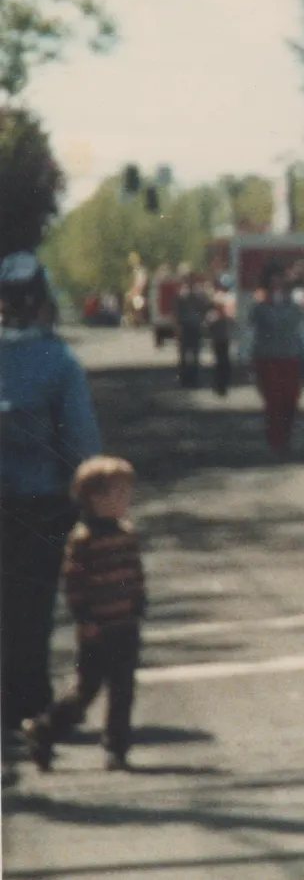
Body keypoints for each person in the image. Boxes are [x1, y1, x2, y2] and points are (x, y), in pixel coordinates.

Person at [0, 253, 103, 743]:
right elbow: (79, 437)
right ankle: (28, 697)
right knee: (33, 600)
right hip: (40, 499)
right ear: (42, 300)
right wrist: (86, 494)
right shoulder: (58, 360)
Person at [22, 457, 145, 772]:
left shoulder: (126, 533)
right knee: (86, 690)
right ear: (95, 499)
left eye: (126, 493)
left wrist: (139, 602)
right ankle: (45, 729)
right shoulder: (83, 539)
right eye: (118, 494)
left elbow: (134, 572)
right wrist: (85, 618)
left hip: (125, 623)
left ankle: (117, 747)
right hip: (98, 628)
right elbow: (75, 583)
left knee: (123, 688)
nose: (125, 500)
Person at [247, 262, 304, 456]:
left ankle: (287, 437)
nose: (277, 285)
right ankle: (275, 440)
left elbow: (303, 334)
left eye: (280, 281)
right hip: (268, 359)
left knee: (290, 400)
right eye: (273, 281)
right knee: (273, 400)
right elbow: (251, 335)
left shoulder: (295, 308)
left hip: (290, 358)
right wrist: (246, 358)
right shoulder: (259, 309)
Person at [173, 267, 209, 388]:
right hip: (186, 325)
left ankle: (194, 379)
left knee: (195, 354)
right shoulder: (182, 293)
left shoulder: (199, 293)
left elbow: (205, 308)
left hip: (195, 326)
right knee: (184, 355)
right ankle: (184, 379)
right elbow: (177, 311)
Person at [207, 278, 235, 397]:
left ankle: (222, 384)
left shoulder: (221, 297)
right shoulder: (228, 298)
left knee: (221, 360)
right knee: (222, 360)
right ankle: (222, 384)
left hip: (222, 333)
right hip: (221, 334)